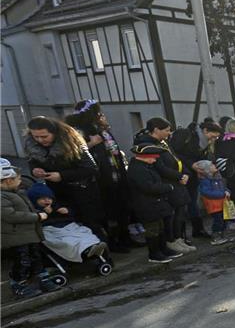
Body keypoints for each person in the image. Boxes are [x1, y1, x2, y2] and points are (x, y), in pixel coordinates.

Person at [23, 116, 104, 239]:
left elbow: (91, 169)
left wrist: (62, 176)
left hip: (83, 191)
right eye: (36, 137)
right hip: (57, 192)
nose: (40, 140)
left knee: (91, 224)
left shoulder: (73, 143)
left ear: (54, 133)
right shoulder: (32, 146)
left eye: (44, 136)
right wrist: (35, 170)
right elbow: (32, 161)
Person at [67, 100, 132, 252]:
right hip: (101, 179)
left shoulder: (101, 129)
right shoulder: (79, 131)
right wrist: (90, 144)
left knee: (122, 208)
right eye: (97, 113)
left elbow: (114, 150)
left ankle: (126, 237)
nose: (101, 115)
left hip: (116, 174)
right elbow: (74, 155)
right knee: (109, 212)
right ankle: (114, 242)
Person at [134, 117, 195, 254]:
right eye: (167, 130)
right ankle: (171, 240)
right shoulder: (148, 145)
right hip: (168, 182)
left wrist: (185, 173)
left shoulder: (163, 142)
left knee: (180, 211)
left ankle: (179, 238)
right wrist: (179, 176)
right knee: (171, 215)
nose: (169, 133)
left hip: (177, 180)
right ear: (156, 130)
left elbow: (176, 158)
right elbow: (160, 167)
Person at [1, 160, 57, 297]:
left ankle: (41, 278)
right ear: (8, 180)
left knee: (36, 257)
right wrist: (36, 217)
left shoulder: (18, 193)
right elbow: (11, 216)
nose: (20, 181)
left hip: (29, 234)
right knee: (22, 260)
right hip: (16, 237)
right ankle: (19, 284)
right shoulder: (3, 197)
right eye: (18, 179)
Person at [126, 144, 180, 263]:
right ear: (145, 156)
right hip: (145, 204)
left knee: (160, 227)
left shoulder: (146, 166)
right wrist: (168, 187)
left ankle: (163, 249)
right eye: (153, 157)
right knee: (152, 229)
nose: (155, 160)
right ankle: (154, 253)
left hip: (155, 203)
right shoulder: (137, 170)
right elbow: (148, 187)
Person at [193, 160, 231, 244]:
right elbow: (206, 192)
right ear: (207, 169)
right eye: (211, 165)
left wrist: (227, 191)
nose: (214, 166)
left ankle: (224, 234)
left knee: (224, 219)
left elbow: (223, 187)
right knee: (218, 220)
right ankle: (216, 236)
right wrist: (222, 194)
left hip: (222, 203)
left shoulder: (217, 176)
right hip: (213, 205)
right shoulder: (205, 180)